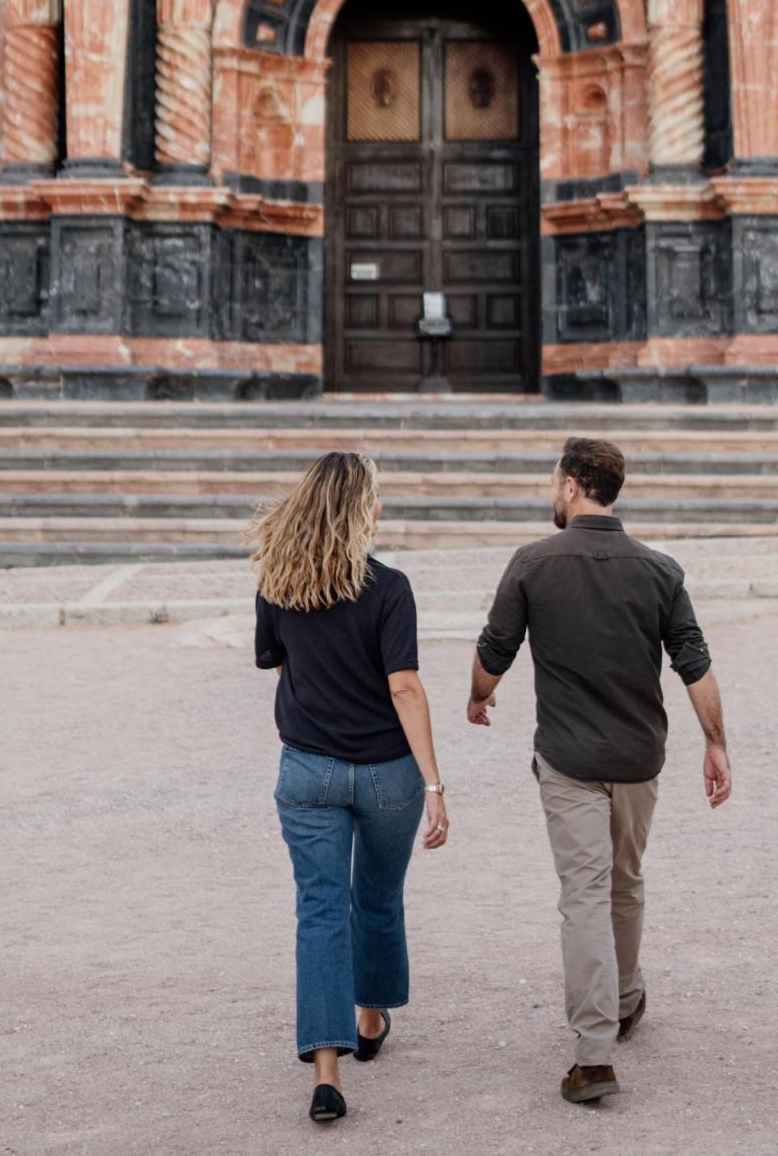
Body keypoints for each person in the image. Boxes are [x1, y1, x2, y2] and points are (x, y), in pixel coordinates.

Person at [467, 433, 731, 1106]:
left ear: (571, 487)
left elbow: (494, 652)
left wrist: (478, 693)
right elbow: (693, 662)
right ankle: (627, 995)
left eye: (554, 479)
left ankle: (593, 1056)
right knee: (626, 880)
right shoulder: (660, 569)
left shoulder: (532, 563)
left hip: (569, 759)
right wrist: (716, 743)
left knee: (584, 894)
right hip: (641, 756)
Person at [255, 449, 450, 1127]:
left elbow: (279, 669)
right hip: (389, 771)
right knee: (377, 896)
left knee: (319, 910)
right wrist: (434, 782)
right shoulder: (390, 587)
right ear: (363, 509)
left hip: (308, 768)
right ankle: (370, 1018)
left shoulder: (277, 581)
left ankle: (326, 1071)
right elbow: (404, 687)